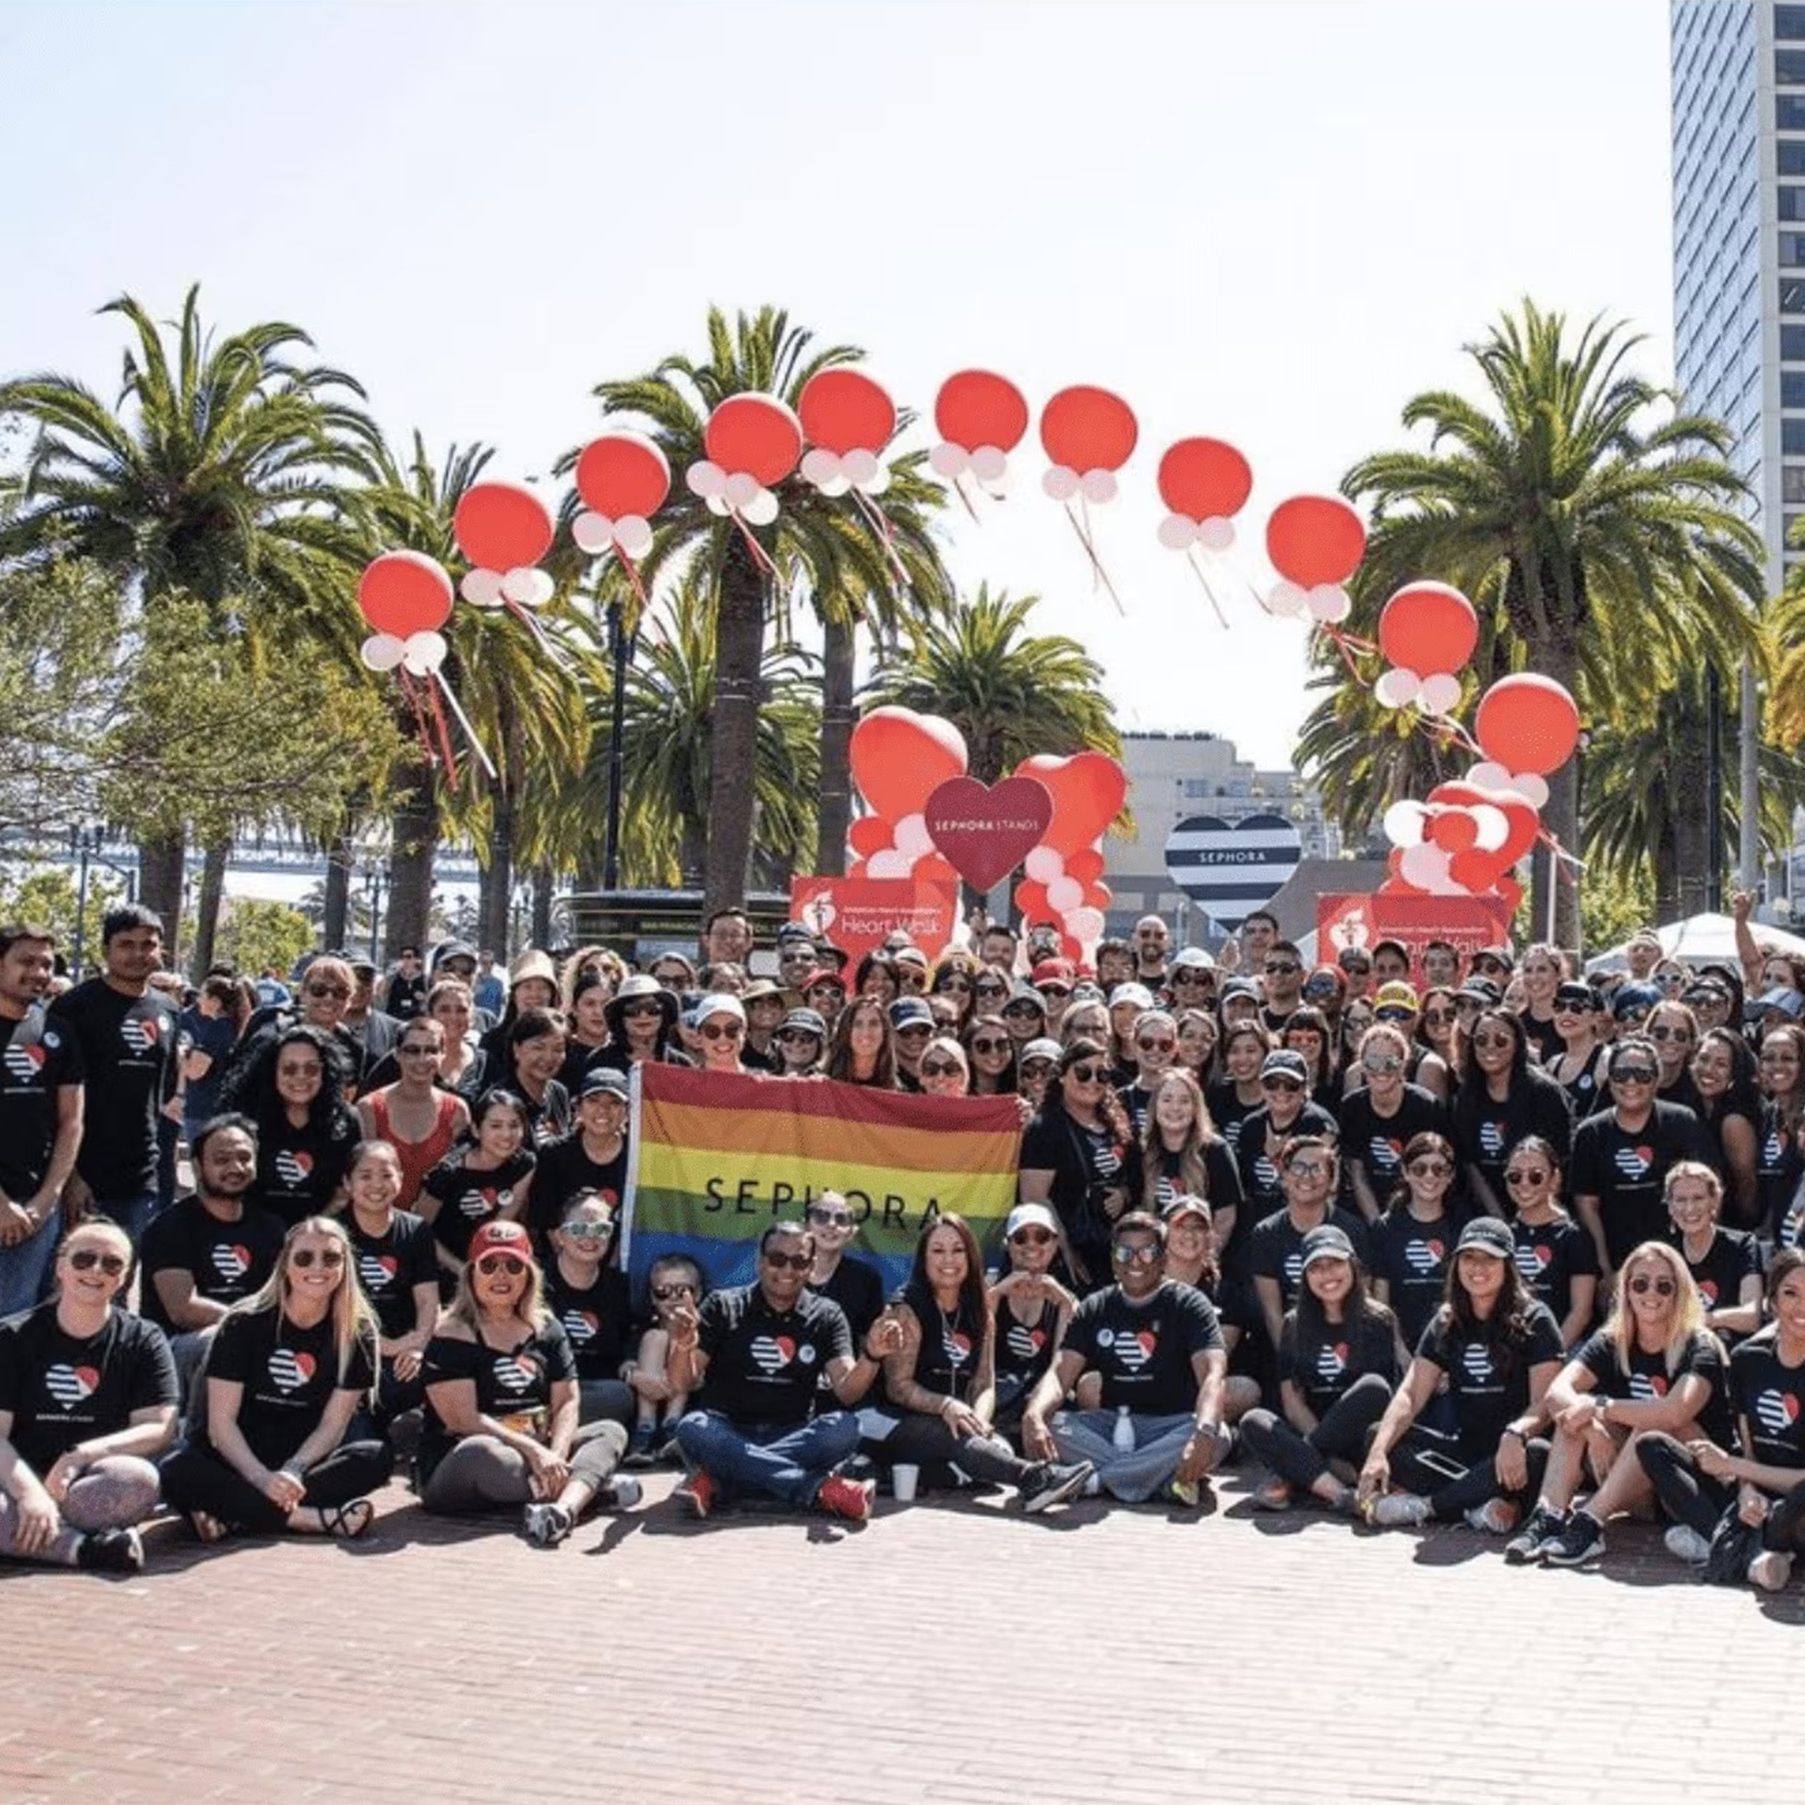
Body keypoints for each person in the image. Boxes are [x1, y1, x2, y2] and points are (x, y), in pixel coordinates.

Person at [159, 1217, 393, 1543]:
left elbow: (333, 1426)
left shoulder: (358, 1332)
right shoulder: (242, 1322)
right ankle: (306, 1518)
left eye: (331, 1258)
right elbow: (221, 1425)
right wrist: (259, 1478)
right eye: (304, 1257)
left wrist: (292, 1470)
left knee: (375, 1457)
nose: (318, 1267)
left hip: (302, 1460)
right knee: (176, 1470)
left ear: (345, 1266)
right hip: (237, 1456)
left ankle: (237, 1516)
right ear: (285, 1264)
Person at [1510, 1239, 1730, 1566]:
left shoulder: (1700, 1345)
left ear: (1680, 1292)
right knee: (1571, 1417)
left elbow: (1675, 1411)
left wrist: (1599, 1406)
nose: (1650, 1293)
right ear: (1626, 1289)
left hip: (1688, 1485)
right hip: (1630, 1486)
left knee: (1650, 1425)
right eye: (1640, 1283)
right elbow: (1557, 1391)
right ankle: (1550, 1515)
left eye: (1664, 1285)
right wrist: (1591, 1429)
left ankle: (1589, 1523)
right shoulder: (1613, 1339)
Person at [417, 1220, 636, 1545]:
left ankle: (563, 1510)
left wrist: (556, 1455)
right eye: (489, 1265)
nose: (501, 1276)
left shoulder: (548, 1328)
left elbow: (567, 1401)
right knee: (485, 1454)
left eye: (513, 1265)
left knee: (609, 1431)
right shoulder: (451, 1334)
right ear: (471, 1274)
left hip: (539, 1447)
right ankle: (591, 1489)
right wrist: (535, 1451)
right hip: (467, 1458)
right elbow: (463, 1420)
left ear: (529, 1274)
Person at [663, 1220, 888, 1521]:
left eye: (798, 1262)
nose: (787, 1270)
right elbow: (682, 1383)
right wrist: (682, 1345)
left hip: (794, 1433)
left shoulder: (827, 1314)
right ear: (760, 1261)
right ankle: (819, 1488)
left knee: (846, 1428)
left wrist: (872, 1354)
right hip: (727, 1429)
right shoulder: (722, 1305)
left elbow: (847, 1391)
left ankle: (720, 1479)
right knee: (692, 1427)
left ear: (811, 1267)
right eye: (778, 1259)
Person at [869, 1215, 1093, 1511]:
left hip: (948, 1423)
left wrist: (980, 1422)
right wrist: (946, 1405)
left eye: (958, 1250)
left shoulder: (979, 1308)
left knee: (994, 1448)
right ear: (923, 1258)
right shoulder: (907, 1306)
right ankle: (1034, 1479)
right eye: (937, 1251)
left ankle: (895, 1472)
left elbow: (982, 1383)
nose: (949, 1259)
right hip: (886, 1418)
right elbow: (898, 1388)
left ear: (971, 1255)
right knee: (963, 1443)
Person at [1021, 1212, 1245, 1507]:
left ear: (1164, 1259)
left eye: (1147, 1252)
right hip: (1114, 1425)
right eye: (1125, 1252)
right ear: (1113, 1260)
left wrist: (1203, 1430)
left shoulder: (1190, 1304)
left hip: (1172, 1427)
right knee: (1049, 1423)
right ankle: (1157, 1478)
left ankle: (1091, 1482)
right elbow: (1060, 1373)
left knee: (1217, 1435)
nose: (1135, 1261)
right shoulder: (1095, 1306)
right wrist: (1034, 1414)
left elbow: (1213, 1376)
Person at [1358, 1218, 1564, 1531]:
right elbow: (1411, 1395)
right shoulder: (1446, 1319)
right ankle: (1478, 1506)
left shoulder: (1536, 1318)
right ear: (1456, 1265)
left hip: (1515, 1453)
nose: (1477, 1267)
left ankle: (1427, 1508)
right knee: (1379, 1435)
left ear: (1507, 1265)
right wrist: (1377, 1454)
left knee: (1539, 1454)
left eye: (1489, 1258)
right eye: (1469, 1258)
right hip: (1464, 1455)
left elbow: (1544, 1404)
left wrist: (1517, 1433)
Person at [0, 1218, 177, 1572]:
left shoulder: (143, 1339)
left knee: (139, 1480)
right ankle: (86, 1549)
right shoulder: (12, 1336)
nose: (96, 1270)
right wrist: (30, 1494)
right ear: (60, 1266)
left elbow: (158, 1428)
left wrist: (79, 1455)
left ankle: (29, 1535)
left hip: (86, 1482)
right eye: (84, 1259)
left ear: (124, 1277)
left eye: (111, 1263)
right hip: (14, 1479)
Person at [1637, 1248, 1805, 1590]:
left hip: (1796, 1502)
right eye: (1791, 1293)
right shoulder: (1748, 1360)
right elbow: (1749, 1446)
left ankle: (1729, 1545)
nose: (1802, 1305)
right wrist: (1747, 1492)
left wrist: (1735, 1468)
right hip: (1755, 1494)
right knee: (1652, 1445)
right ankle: (1753, 1554)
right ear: (1772, 1302)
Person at [1240, 1224, 1400, 1513]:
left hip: (1358, 1440)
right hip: (1309, 1426)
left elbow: (1383, 1398)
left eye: (1335, 1264)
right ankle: (1343, 1495)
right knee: (1254, 1420)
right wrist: (1317, 1443)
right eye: (1316, 1267)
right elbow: (1291, 1401)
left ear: (1352, 1266)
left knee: (1374, 1386)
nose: (1327, 1275)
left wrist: (1308, 1450)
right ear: (1305, 1276)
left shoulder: (1379, 1320)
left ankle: (1297, 1472)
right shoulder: (1293, 1323)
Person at [47, 903, 178, 1248]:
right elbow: (51, 1102)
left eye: (148, 944)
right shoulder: (74, 1007)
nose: (138, 953)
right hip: (82, 1180)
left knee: (118, 1284)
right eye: (126, 944)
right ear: (106, 949)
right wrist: (71, 1177)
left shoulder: (169, 1010)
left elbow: (163, 1091)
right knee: (69, 1286)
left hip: (141, 1180)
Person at [139, 1115, 285, 1402]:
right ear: (196, 1166)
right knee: (216, 1342)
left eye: (244, 1158)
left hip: (254, 1339)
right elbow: (183, 1309)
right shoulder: (170, 1227)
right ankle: (194, 1436)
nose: (235, 1167)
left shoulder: (271, 1227)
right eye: (221, 1159)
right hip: (180, 1349)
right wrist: (250, 1326)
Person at [1571, 1036, 1717, 1282]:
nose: (1630, 1082)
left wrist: (1699, 1256)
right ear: (1609, 1079)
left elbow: (1708, 1190)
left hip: (1680, 1260)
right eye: (1621, 1073)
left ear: (1657, 1079)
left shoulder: (1682, 1122)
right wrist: (1604, 1269)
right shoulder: (1590, 1133)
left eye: (1642, 1074)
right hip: (1617, 1262)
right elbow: (1587, 1206)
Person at [0, 923, 83, 1316]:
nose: (38, 972)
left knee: (21, 1322)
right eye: (26, 961)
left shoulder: (57, 1032)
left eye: (46, 964)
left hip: (35, 1210)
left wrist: (46, 1200)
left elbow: (71, 1121)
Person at [1019, 1039, 1140, 1293]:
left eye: (1102, 1074)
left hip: (1113, 1250)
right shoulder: (1045, 1128)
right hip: (1070, 1254)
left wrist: (1123, 1194)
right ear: (1062, 1076)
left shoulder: (1117, 1123)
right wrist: (1065, 1250)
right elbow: (1034, 1198)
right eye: (1083, 1073)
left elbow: (1135, 1177)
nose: (1093, 1081)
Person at [337, 1139, 438, 1433]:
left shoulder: (416, 1231)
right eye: (365, 1176)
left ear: (401, 1179)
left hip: (406, 1349)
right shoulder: (333, 1232)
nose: (377, 1185)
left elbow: (427, 1301)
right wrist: (384, 1347)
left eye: (386, 1174)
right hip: (349, 1350)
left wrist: (418, 1345)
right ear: (347, 1182)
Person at [1247, 1134, 1371, 1353]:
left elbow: (1363, 1301)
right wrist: (1292, 1365)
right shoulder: (1266, 1234)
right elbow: (1273, 1314)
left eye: (1317, 1168)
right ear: (1283, 1176)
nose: (1307, 1176)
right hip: (1292, 1344)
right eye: (1298, 1167)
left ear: (1332, 1180)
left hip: (1346, 1345)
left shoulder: (1353, 1230)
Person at [1449, 1008, 1571, 1220]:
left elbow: (1559, 1162)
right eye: (1481, 1039)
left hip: (1541, 1209)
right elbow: (1469, 1162)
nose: (1490, 1047)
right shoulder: (1468, 1093)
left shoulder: (1544, 1092)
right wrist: (1496, 1214)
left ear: (1517, 1045)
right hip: (1488, 1210)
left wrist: (1530, 1215)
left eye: (1501, 1040)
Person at [240, 1025, 360, 1227]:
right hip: (254, 1233)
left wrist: (308, 1231)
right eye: (289, 1068)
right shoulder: (246, 1119)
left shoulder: (346, 1119)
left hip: (321, 1234)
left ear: (326, 1071)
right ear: (272, 1071)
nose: (300, 1076)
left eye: (311, 1068)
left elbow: (344, 1191)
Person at [417, 1090, 537, 1285]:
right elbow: (419, 1229)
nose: (506, 1134)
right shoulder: (447, 1172)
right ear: (476, 1130)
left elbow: (499, 1225)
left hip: (487, 1263)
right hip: (442, 1265)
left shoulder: (524, 1165)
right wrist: (460, 1269)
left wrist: (482, 1268)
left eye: (514, 1125)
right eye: (496, 1126)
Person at [540, 1190, 636, 1430]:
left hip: (600, 1388)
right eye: (579, 1229)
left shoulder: (619, 1286)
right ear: (561, 1236)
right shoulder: (535, 1283)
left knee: (620, 1395)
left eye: (601, 1230)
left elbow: (634, 1330)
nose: (590, 1238)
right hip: (546, 1389)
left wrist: (630, 1362)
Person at [1367, 1131, 1465, 1357]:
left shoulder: (1462, 1226)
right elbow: (1382, 1303)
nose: (1429, 1176)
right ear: (1405, 1172)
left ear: (1451, 1175)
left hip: (1455, 1347)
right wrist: (1401, 1353)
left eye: (1439, 1169)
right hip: (1401, 1348)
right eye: (1420, 1169)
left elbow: (1467, 1299)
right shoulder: (1386, 1228)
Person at [1337, 1024, 1447, 1224]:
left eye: (1391, 1062)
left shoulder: (1425, 1106)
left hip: (1419, 1203)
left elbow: (1434, 1170)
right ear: (1362, 1065)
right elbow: (1357, 1174)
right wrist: (1378, 1224)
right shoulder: (1352, 1106)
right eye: (1372, 1061)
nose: (1381, 1070)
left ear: (1403, 1065)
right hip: (1368, 1209)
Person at [357, 1018, 471, 1208]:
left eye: (431, 1050)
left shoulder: (457, 1111)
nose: (422, 1059)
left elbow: (460, 1178)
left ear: (443, 1054)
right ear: (397, 1054)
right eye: (412, 1050)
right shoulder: (369, 1108)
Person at [1501, 1137, 1599, 1350]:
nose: (1524, 1184)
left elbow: (1581, 1312)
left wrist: (1551, 1357)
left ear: (1555, 1179)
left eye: (1536, 1176)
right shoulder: (1503, 1235)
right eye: (1515, 1176)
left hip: (1564, 1348)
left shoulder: (1574, 1236)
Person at [988, 1203, 1077, 1435]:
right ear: (1008, 1245)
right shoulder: (989, 1289)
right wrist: (996, 1295)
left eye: (1041, 1236)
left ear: (1055, 1244)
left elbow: (1062, 1372)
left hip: (1039, 1399)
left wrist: (1066, 1306)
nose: (1031, 1245)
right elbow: (976, 1360)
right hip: (993, 1395)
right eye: (1020, 1237)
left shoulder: (1066, 1300)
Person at [1232, 1049, 1339, 1226]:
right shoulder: (1251, 1126)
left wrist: (1278, 1160)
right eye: (1272, 1083)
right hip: (1259, 1227)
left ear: (1305, 1087)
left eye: (1291, 1084)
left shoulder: (1319, 1126)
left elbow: (1328, 1190)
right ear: (1261, 1085)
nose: (1281, 1091)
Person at [1664, 1162, 1763, 1342]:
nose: (1690, 1208)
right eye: (1680, 1200)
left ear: (1715, 1200)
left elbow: (1751, 1316)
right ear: (1670, 1207)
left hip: (1729, 1351)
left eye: (1698, 1198)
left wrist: (1705, 1320)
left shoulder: (1742, 1245)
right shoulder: (1665, 1253)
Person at [530, 1069, 629, 1240]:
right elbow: (547, 1224)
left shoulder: (638, 1157)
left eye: (614, 1102)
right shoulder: (553, 1155)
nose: (603, 1110)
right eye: (593, 1101)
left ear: (626, 1111)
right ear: (578, 1108)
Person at [625, 1253, 702, 1464]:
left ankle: (672, 1426)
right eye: (663, 1292)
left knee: (685, 1340)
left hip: (687, 1402)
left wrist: (682, 1374)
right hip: (648, 1397)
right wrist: (637, 1377)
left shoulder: (707, 1329)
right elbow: (625, 1364)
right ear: (652, 1296)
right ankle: (645, 1428)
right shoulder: (641, 1329)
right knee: (655, 1337)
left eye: (683, 1290)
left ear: (697, 1294)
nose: (673, 1298)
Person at [1690, 1026, 1762, 1228]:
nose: (1708, 1069)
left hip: (1734, 1225)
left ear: (1734, 1073)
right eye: (1703, 1059)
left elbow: (1746, 1186)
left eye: (1721, 1064)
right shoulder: (1694, 1105)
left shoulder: (1734, 1121)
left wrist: (1745, 1233)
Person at [804, 1192, 885, 1345]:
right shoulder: (788, 1270)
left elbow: (868, 1343)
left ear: (851, 1232)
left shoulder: (866, 1279)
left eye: (841, 1219)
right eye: (822, 1216)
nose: (831, 1224)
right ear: (807, 1226)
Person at [500, 1008, 573, 1147]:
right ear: (516, 1049)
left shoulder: (558, 1092)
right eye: (538, 1048)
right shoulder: (501, 1101)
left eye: (558, 1049)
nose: (548, 1057)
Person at [1545, 981, 1609, 1118]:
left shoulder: (1606, 1061)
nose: (1567, 1013)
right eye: (1559, 1006)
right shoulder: (1552, 1064)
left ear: (1595, 1018)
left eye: (1577, 1007)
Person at [604, 975, 681, 1070]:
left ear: (664, 1014)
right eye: (633, 1010)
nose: (643, 1016)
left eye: (652, 1008)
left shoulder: (680, 1063)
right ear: (620, 1017)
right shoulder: (600, 1060)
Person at [826, 994, 897, 1089]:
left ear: (885, 1031)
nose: (866, 1032)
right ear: (846, 1031)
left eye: (874, 1024)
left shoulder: (898, 1091)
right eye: (857, 1024)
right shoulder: (822, 1083)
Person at [773, 1007, 827, 1078]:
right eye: (788, 1035)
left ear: (820, 1044)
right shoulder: (761, 1081)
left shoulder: (829, 1086)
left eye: (806, 1036)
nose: (796, 1043)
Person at [383, 946, 427, 1023]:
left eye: (408, 957)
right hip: (395, 1018)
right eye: (402, 957)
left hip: (415, 1020)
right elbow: (382, 993)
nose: (405, 960)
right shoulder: (394, 977)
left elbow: (431, 999)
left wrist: (423, 997)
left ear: (416, 959)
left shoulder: (424, 979)